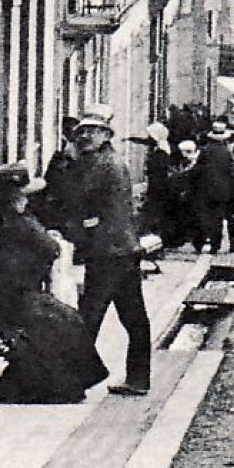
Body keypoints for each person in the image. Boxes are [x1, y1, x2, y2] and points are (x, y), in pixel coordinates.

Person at [0, 165, 109, 404]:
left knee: (67, 316)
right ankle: (55, 386)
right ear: (10, 199)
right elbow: (50, 249)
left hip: (1, 296)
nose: (26, 201)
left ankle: (61, 383)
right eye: (21, 197)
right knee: (54, 321)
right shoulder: (15, 223)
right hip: (0, 301)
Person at [68, 104, 151, 396]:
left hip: (107, 252)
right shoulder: (109, 160)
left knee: (89, 316)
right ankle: (139, 379)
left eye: (92, 131)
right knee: (134, 318)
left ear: (106, 134)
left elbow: (77, 198)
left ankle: (73, 382)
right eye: (82, 131)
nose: (85, 136)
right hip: (124, 249)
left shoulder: (100, 165)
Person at [193, 120, 234, 253]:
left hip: (206, 189)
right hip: (222, 191)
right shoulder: (227, 153)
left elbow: (198, 169)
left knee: (205, 216)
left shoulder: (205, 151)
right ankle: (215, 245)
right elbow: (232, 171)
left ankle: (201, 243)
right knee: (218, 218)